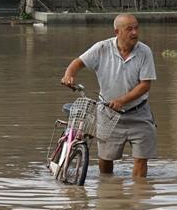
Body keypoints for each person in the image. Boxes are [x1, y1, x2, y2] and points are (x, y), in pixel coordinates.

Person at [60, 13, 157, 178]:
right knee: (105, 158)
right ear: (117, 32)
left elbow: (144, 86)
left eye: (136, 28)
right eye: (129, 29)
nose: (134, 33)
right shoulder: (102, 48)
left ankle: (138, 192)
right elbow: (78, 62)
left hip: (139, 113)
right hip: (108, 113)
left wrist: (122, 100)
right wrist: (69, 75)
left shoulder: (144, 51)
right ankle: (106, 187)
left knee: (141, 160)